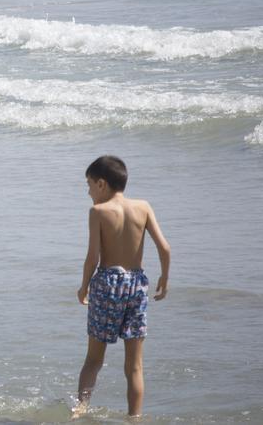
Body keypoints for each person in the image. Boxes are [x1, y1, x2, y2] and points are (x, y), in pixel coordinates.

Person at [74, 155, 171, 418]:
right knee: (135, 366)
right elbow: (165, 247)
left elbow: (93, 258)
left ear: (102, 184)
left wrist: (83, 287)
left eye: (89, 184)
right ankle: (135, 418)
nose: (88, 191)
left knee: (94, 359)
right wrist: (164, 277)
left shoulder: (98, 212)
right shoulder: (144, 207)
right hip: (137, 284)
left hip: (108, 283)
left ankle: (81, 408)